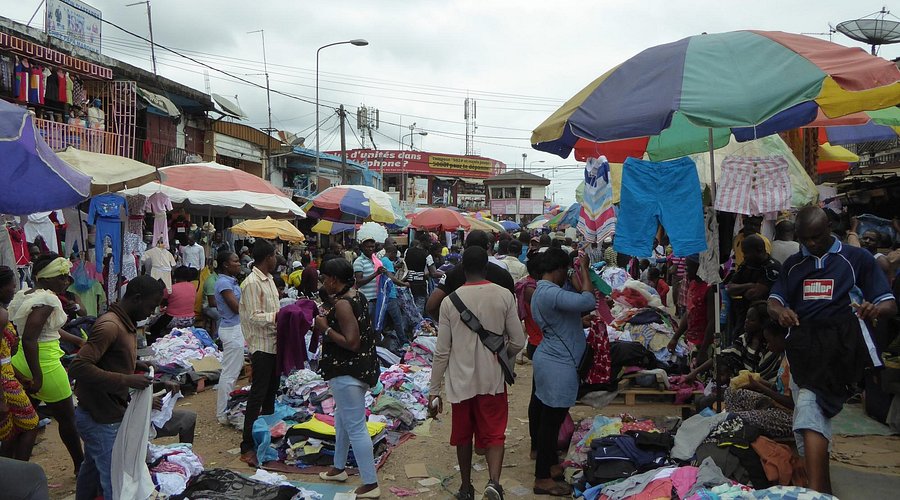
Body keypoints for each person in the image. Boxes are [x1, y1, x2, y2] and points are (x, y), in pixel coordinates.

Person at [768, 207, 897, 494]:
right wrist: (781, 313)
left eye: (816, 237)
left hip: (839, 347)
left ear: (830, 228)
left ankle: (815, 493)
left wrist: (874, 307)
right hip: (802, 349)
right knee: (806, 424)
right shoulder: (793, 264)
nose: (811, 244)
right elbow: (774, 301)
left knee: (810, 412)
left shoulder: (856, 259)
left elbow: (888, 302)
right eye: (805, 239)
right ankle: (824, 491)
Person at [429, 247, 525, 500]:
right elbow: (518, 341)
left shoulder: (449, 302)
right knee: (494, 432)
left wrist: (433, 392)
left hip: (460, 382)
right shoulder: (504, 295)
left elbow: (442, 352)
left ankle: (465, 487)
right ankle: (493, 483)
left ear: (462, 268)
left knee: (462, 435)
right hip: (492, 379)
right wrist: (501, 353)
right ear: (486, 267)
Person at [69, 275, 168, 500]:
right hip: (98, 416)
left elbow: (108, 358)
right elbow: (79, 367)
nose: (151, 313)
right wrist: (126, 380)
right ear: (136, 298)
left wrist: (134, 364)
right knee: (115, 480)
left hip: (104, 410)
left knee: (93, 468)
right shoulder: (110, 326)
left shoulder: (124, 324)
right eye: (151, 306)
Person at [8, 254, 84, 474]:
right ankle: (81, 466)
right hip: (44, 366)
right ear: (47, 278)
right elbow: (31, 338)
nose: (66, 281)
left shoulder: (27, 293)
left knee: (23, 422)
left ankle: (14, 471)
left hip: (21, 361)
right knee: (68, 419)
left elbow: (44, 329)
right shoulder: (48, 301)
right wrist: (38, 376)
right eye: (61, 277)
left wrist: (76, 340)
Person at [529, 248, 595, 496]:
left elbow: (563, 317)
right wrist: (585, 269)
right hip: (557, 363)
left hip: (552, 359)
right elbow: (588, 301)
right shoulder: (550, 293)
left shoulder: (542, 291)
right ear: (558, 270)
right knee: (551, 422)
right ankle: (542, 478)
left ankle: (549, 466)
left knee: (551, 419)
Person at [314, 258, 381, 498]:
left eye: (324, 278)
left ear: (333, 279)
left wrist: (325, 328)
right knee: (342, 420)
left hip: (347, 372)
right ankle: (338, 468)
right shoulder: (356, 296)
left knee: (355, 428)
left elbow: (352, 342)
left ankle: (371, 484)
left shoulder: (343, 304)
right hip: (358, 370)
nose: (323, 282)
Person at [239, 240, 281, 467]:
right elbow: (254, 316)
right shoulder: (252, 283)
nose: (276, 260)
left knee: (271, 392)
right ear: (267, 258)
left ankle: (266, 433)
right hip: (261, 345)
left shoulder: (270, 281)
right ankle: (246, 444)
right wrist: (278, 317)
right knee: (258, 394)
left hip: (274, 343)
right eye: (275, 255)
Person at [726, 320, 794, 438]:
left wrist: (760, 386)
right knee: (731, 393)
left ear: (780, 338)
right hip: (774, 408)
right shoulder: (784, 357)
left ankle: (741, 425)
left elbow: (791, 403)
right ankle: (742, 424)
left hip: (788, 417)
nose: (768, 346)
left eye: (769, 341)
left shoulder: (794, 362)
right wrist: (760, 381)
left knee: (737, 418)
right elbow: (779, 388)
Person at [426, 231, 515, 321]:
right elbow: (512, 308)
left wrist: (447, 322)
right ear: (488, 245)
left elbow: (431, 306)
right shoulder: (502, 274)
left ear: (465, 245)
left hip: (459, 330)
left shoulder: (452, 273)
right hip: (496, 329)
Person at [0, 267, 39, 461]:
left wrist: (20, 376)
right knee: (30, 424)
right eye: (11, 286)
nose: (13, 291)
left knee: (10, 432)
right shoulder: (1, 316)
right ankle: (18, 473)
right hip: (4, 384)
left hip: (8, 377)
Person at [725, 235, 780, 343]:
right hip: (743, 316)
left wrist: (742, 288)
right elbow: (730, 288)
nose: (744, 256)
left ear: (759, 250)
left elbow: (754, 294)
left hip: (763, 320)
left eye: (746, 252)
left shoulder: (772, 267)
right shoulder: (746, 265)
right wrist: (749, 285)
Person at [214, 251, 245, 425]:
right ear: (225, 264)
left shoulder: (230, 281)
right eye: (235, 261)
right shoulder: (223, 283)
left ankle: (225, 410)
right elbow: (235, 307)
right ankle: (223, 413)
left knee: (232, 371)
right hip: (231, 329)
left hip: (234, 328)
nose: (239, 263)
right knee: (230, 373)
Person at [667, 256, 714, 357]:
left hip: (704, 344)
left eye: (688, 266)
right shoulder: (692, 284)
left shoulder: (709, 289)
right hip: (691, 341)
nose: (685, 269)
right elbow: (689, 312)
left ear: (699, 267)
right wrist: (675, 338)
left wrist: (703, 351)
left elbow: (712, 321)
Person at [379, 241, 411, 346]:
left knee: (383, 320)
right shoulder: (387, 262)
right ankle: (404, 342)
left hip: (383, 294)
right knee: (397, 320)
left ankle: (380, 339)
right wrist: (404, 284)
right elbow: (391, 278)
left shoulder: (381, 260)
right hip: (390, 294)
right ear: (392, 252)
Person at [847, 216, 892, 281]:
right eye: (865, 238)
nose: (867, 241)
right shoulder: (860, 254)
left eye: (871, 240)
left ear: (878, 244)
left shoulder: (881, 260)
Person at [405, 235, 439, 315]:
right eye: (429, 242)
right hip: (420, 286)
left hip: (408, 283)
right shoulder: (427, 255)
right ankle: (418, 327)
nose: (430, 245)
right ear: (424, 242)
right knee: (418, 310)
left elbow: (404, 264)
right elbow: (433, 273)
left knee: (408, 310)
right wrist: (445, 274)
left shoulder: (408, 251)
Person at [353, 237, 383, 318]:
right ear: (362, 248)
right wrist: (376, 273)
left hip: (377, 297)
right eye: (368, 247)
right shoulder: (359, 261)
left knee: (375, 324)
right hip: (366, 299)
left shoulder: (376, 260)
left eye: (372, 247)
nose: (370, 249)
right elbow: (359, 282)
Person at [200, 258, 220, 337]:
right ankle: (217, 338)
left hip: (218, 305)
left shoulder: (221, 279)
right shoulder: (211, 281)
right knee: (221, 316)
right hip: (208, 306)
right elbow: (212, 303)